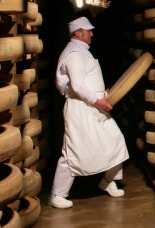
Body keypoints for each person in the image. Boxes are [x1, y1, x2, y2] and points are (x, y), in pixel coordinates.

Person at [48, 17, 129, 208]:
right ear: (78, 33)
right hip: (80, 109)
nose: (92, 33)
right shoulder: (74, 53)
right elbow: (76, 85)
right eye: (88, 30)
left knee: (116, 141)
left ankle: (108, 182)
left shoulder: (83, 52)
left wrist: (102, 94)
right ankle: (57, 194)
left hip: (94, 107)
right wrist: (97, 100)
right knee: (73, 151)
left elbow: (87, 81)